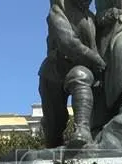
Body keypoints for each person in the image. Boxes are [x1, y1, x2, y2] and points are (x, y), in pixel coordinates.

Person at [38, 0, 106, 148]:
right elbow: (68, 43)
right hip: (54, 72)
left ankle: (82, 128)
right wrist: (96, 60)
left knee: (80, 76)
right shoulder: (57, 11)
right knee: (54, 124)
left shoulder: (92, 17)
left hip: (82, 67)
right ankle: (53, 143)